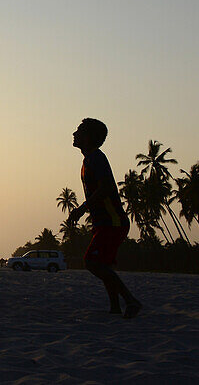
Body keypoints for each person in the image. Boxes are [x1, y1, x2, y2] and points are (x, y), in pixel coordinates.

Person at [67, 118, 142, 318]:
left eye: (79, 131)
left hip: (113, 221)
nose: (74, 134)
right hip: (104, 221)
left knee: (92, 262)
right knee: (103, 265)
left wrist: (83, 208)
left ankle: (131, 300)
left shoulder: (96, 159)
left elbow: (107, 187)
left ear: (89, 137)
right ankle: (116, 307)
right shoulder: (89, 159)